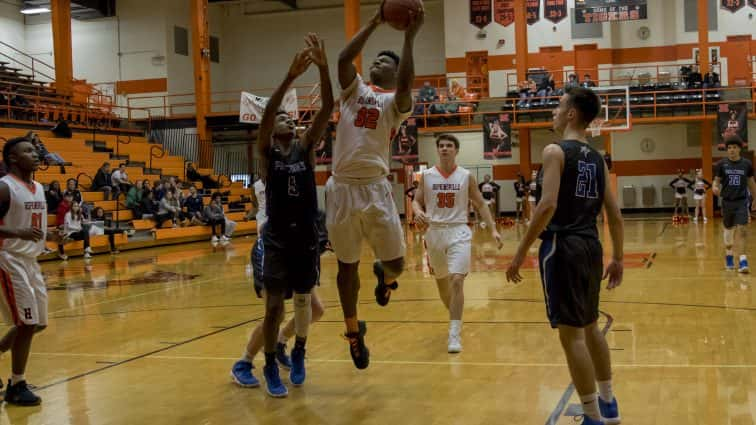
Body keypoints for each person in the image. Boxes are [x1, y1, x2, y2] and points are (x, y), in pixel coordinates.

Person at [506, 87, 624, 425]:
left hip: (563, 246)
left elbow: (547, 205)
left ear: (572, 114)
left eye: (559, 106)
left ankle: (591, 416)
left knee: (571, 335)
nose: (555, 112)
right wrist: (617, 257)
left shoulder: (555, 151)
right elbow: (614, 215)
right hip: (591, 245)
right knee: (590, 327)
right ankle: (608, 403)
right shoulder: (598, 158)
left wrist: (519, 252)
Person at [326, 2, 422, 370]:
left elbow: (407, 84)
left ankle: (385, 277)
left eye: (385, 61)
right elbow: (342, 59)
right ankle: (353, 332)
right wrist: (376, 20)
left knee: (396, 263)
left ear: (396, 73)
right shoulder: (353, 91)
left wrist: (410, 38)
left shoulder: (395, 103)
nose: (376, 62)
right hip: (342, 189)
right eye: (376, 59)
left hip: (376, 188)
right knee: (346, 267)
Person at [238, 34, 332, 398]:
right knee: (274, 306)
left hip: (305, 237)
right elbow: (267, 115)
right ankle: (268, 364)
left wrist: (323, 69)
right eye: (281, 118)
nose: (287, 120)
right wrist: (290, 77)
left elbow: (326, 109)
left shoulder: (306, 148)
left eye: (291, 118)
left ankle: (300, 352)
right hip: (276, 236)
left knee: (307, 303)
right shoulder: (267, 152)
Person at [412, 134, 502, 353]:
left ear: (456, 150)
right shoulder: (427, 175)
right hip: (434, 233)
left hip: (459, 231)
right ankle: (455, 317)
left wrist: (493, 230)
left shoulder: (465, 176)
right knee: (443, 285)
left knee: (457, 281)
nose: (444, 149)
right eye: (441, 146)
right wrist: (418, 212)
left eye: (449, 146)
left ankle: (454, 334)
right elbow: (416, 200)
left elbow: (480, 204)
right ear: (438, 150)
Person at [0, 136, 62, 406]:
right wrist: (16, 232)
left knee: (39, 323)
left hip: (30, 260)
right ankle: (17, 384)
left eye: (36, 150)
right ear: (13, 158)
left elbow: (31, 224)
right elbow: (18, 228)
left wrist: (51, 236)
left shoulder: (38, 186)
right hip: (8, 258)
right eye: (28, 151)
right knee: (26, 323)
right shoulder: (4, 187)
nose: (35, 154)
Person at [712, 135, 756, 273]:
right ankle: (729, 256)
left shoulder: (747, 164)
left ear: (739, 149)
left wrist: (755, 198)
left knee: (742, 230)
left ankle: (743, 261)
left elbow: (751, 182)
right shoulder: (721, 164)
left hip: (741, 202)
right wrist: (714, 187)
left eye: (734, 147)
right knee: (728, 232)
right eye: (729, 148)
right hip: (727, 202)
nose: (731, 150)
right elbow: (717, 181)